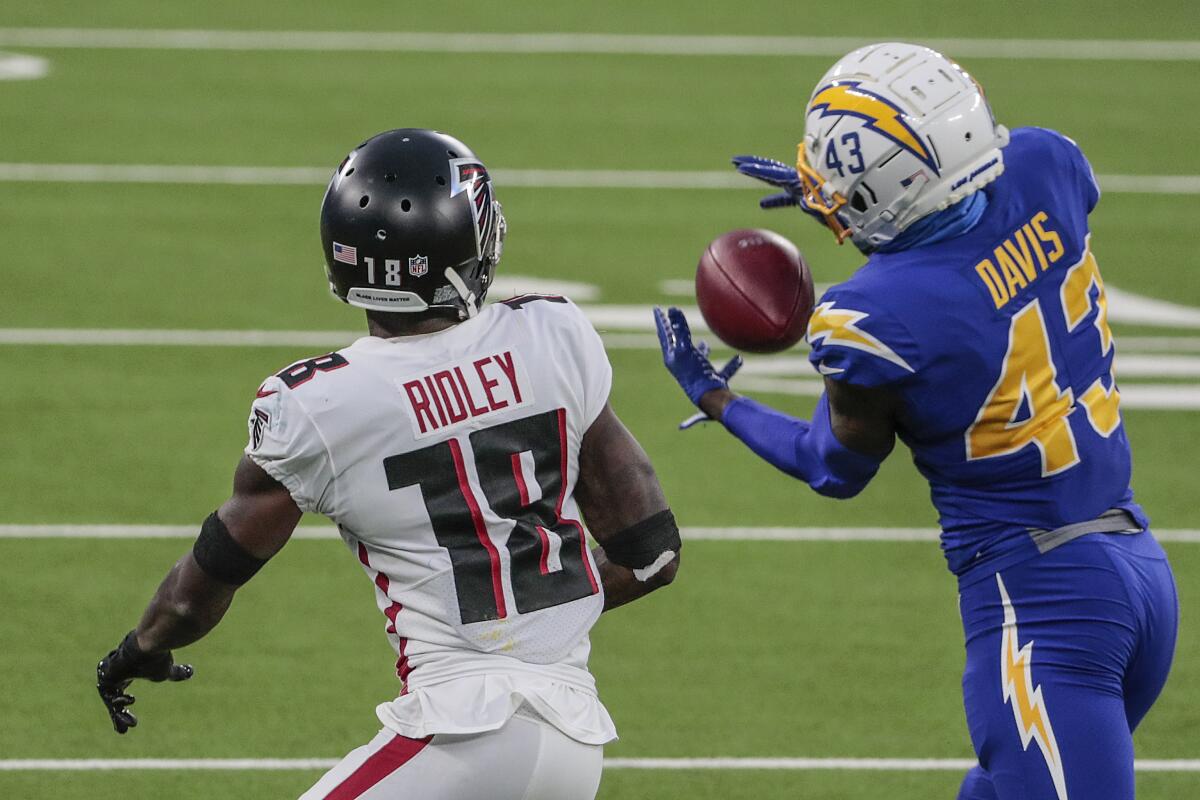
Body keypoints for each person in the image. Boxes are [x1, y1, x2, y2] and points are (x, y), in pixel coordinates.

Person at [657, 42, 1177, 800]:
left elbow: (832, 465)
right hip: (1139, 566)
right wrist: (871, 204)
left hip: (1042, 607)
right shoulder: (1047, 165)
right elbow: (983, 240)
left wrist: (719, 400)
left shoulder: (873, 318)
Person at [96, 128, 682, 800]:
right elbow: (652, 552)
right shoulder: (552, 333)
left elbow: (192, 594)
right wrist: (537, 623)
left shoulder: (319, 403)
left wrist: (138, 650)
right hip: (574, 739)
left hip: (463, 734)